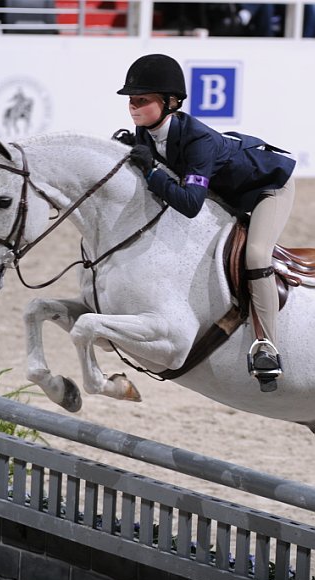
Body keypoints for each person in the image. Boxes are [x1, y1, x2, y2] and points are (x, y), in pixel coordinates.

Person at [116, 54, 296, 392]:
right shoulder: (144, 133)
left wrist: (151, 171)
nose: (133, 106)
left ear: (171, 102)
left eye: (142, 99)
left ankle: (267, 348)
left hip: (267, 189)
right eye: (130, 100)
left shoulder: (199, 140)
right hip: (227, 192)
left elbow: (188, 203)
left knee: (256, 256)